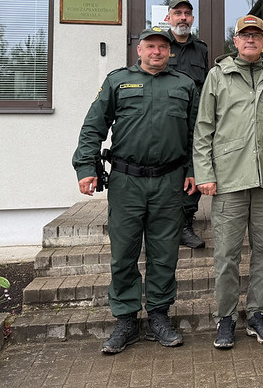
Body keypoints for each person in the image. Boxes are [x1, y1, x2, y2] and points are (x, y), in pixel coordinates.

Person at [73, 27, 196, 355]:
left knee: (164, 253)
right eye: (150, 46)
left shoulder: (184, 85)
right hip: (127, 181)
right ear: (139, 50)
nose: (157, 52)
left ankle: (158, 316)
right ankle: (126, 320)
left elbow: (196, 134)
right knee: (124, 252)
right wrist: (85, 168)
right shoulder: (118, 81)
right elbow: (93, 126)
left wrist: (194, 171)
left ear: (170, 52)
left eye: (162, 47)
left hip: (169, 181)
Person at [193, 15, 263, 350]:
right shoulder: (217, 75)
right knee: (226, 255)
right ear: (234, 41)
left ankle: (258, 314)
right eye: (244, 35)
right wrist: (205, 174)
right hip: (229, 179)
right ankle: (225, 317)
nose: (250, 40)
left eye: (256, 35)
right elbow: (203, 129)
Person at [166, 0, 210, 249]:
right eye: (178, 13)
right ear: (169, 17)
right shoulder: (160, 45)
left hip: (195, 117)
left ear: (192, 18)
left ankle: (185, 223)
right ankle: (164, 222)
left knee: (195, 166)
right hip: (167, 117)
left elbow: (206, 84)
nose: (183, 18)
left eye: (187, 14)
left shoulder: (200, 49)